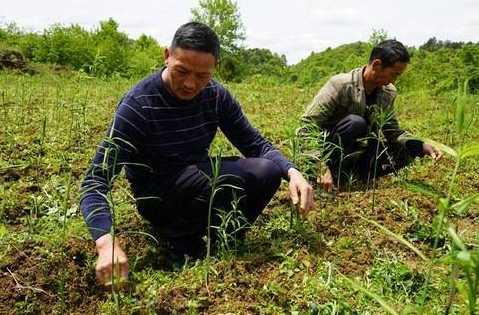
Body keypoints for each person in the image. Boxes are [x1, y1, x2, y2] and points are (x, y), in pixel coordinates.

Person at [80, 21, 314, 287]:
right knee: (214, 178)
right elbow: (95, 181)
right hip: (159, 197)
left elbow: (254, 143)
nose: (191, 84)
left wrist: (292, 171)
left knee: (267, 171)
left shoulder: (215, 96)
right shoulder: (139, 105)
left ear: (214, 69)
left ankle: (226, 236)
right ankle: (176, 238)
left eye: (202, 76)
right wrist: (106, 242)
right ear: (167, 56)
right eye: (182, 71)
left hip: (197, 178)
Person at [301, 39, 441, 190]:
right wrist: (319, 165)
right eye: (393, 74)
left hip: (360, 151)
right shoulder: (340, 85)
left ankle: (351, 176)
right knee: (356, 123)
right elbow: (308, 125)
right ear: (376, 65)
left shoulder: (388, 92)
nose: (394, 80)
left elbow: (392, 132)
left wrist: (421, 145)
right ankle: (331, 174)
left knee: (410, 148)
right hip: (329, 153)